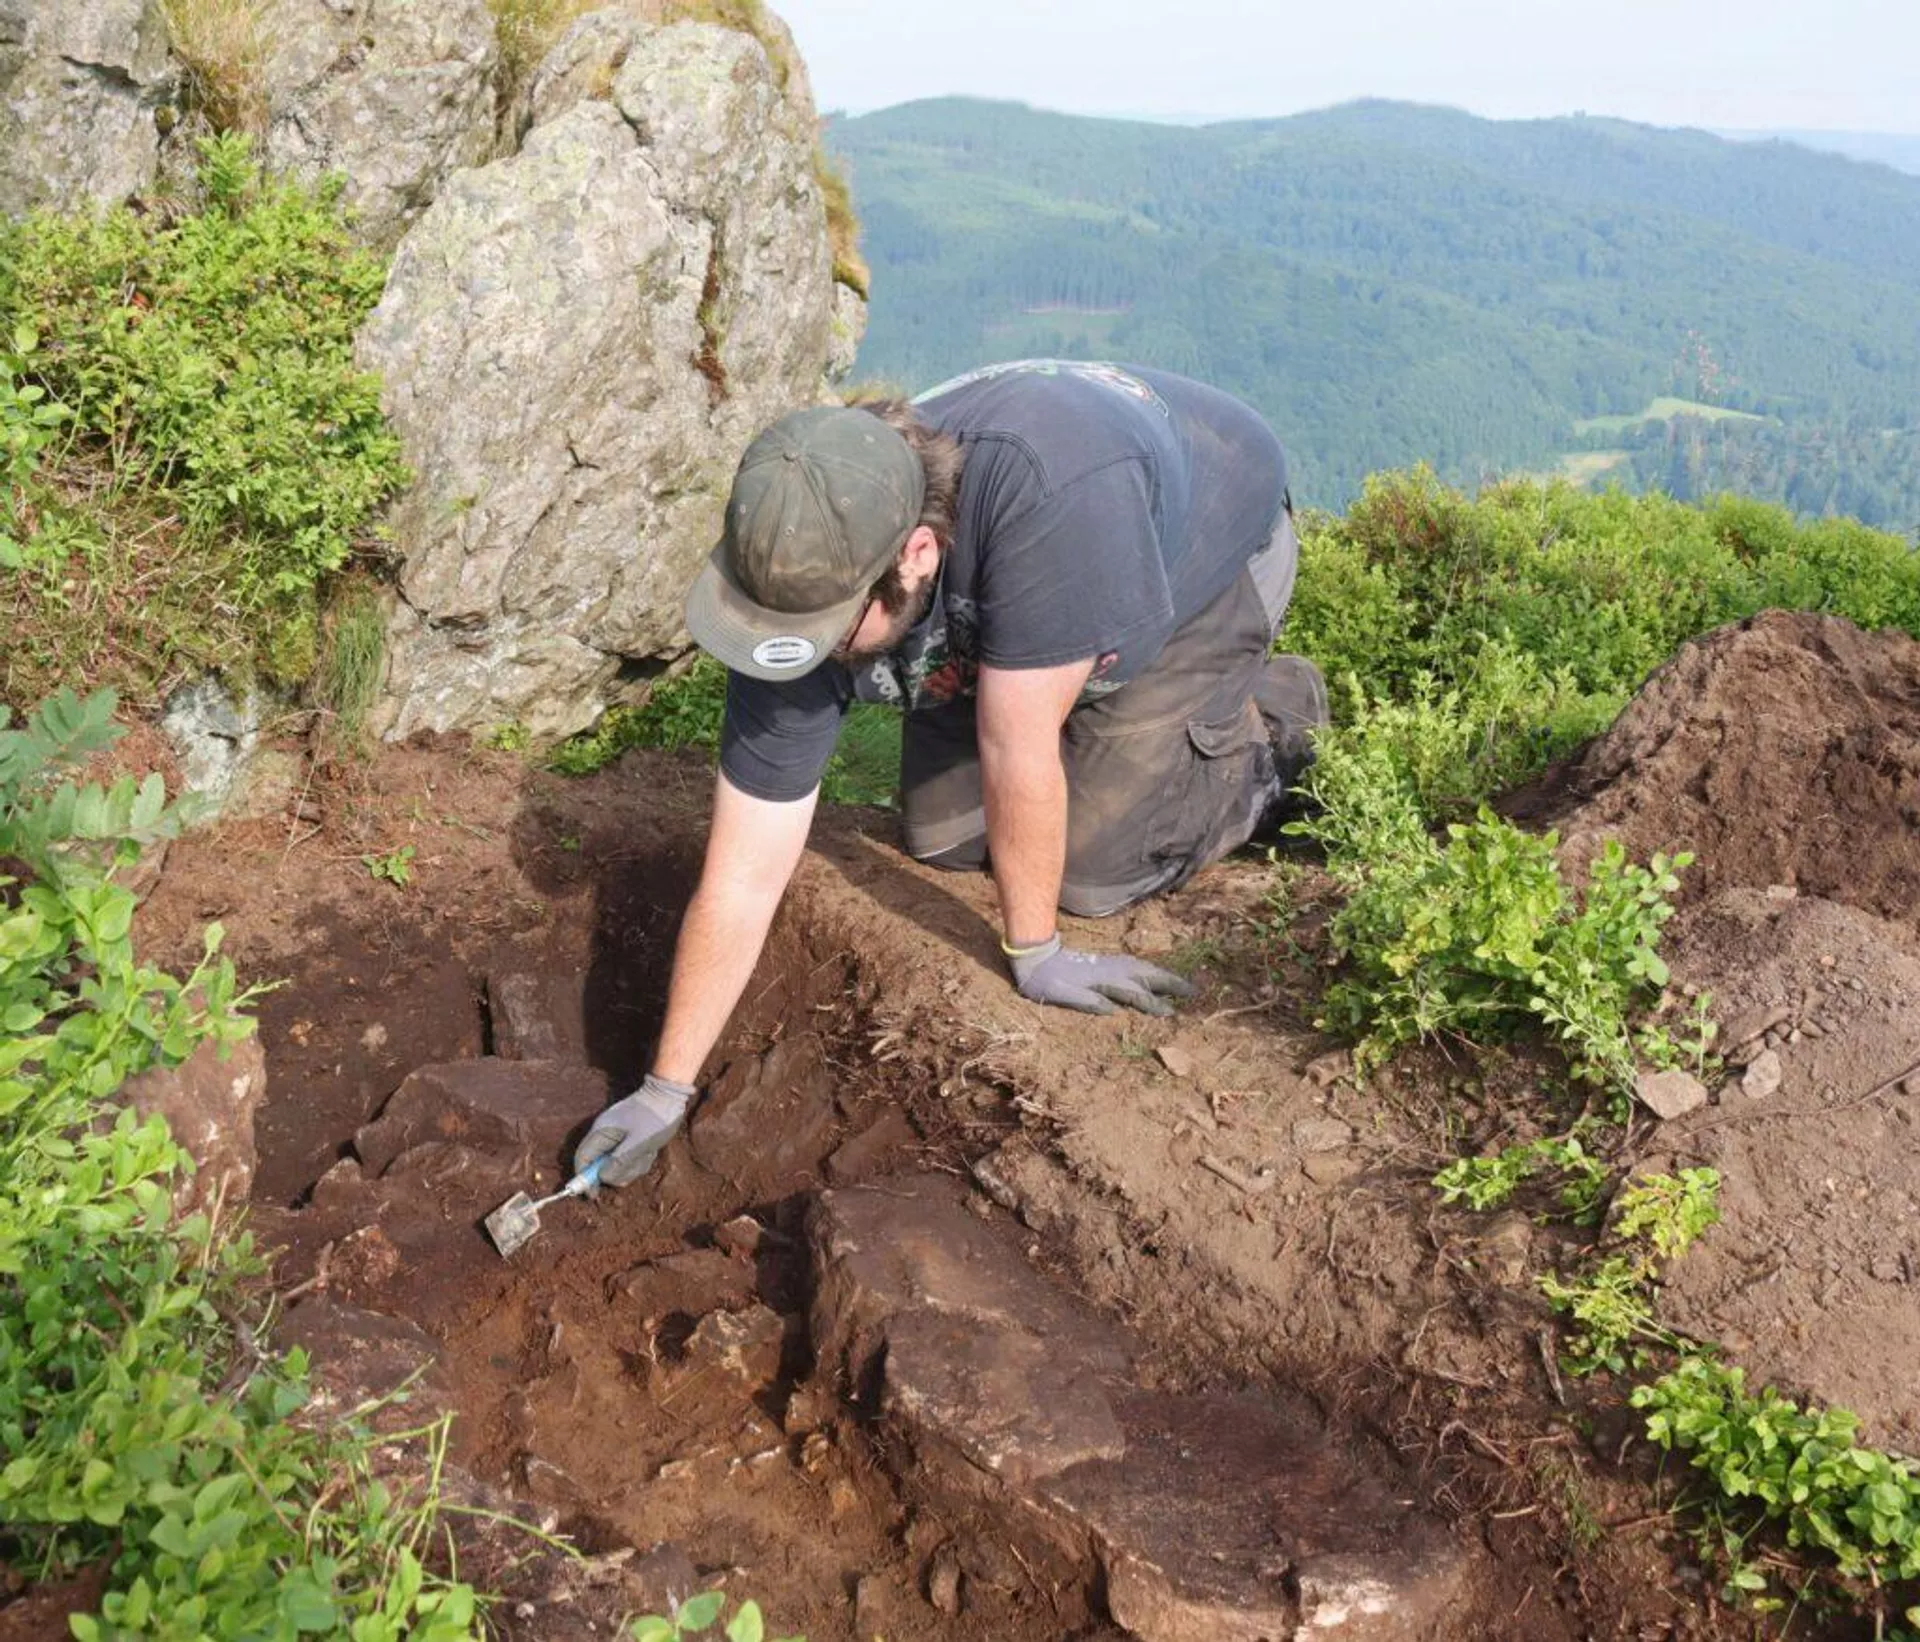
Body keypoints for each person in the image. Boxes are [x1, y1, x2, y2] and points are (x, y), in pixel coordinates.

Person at [576, 360, 1326, 1187]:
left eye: (828, 631)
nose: (805, 655)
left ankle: (1276, 726)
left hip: (1191, 561)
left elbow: (1017, 747)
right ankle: (1046, 667)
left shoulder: (1051, 498)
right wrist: (664, 1090)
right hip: (1021, 589)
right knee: (945, 842)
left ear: (917, 554)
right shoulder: (796, 575)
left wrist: (1036, 952)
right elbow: (743, 874)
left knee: (1090, 873)